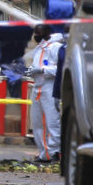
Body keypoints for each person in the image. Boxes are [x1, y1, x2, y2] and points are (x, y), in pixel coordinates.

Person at [27, 24, 64, 162]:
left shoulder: (56, 47)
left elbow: (60, 69)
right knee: (37, 123)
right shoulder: (39, 48)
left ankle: (55, 152)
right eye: (35, 33)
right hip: (37, 87)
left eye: (39, 33)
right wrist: (31, 70)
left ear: (47, 32)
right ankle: (44, 154)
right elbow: (36, 66)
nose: (36, 36)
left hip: (49, 88)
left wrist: (42, 70)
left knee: (52, 121)